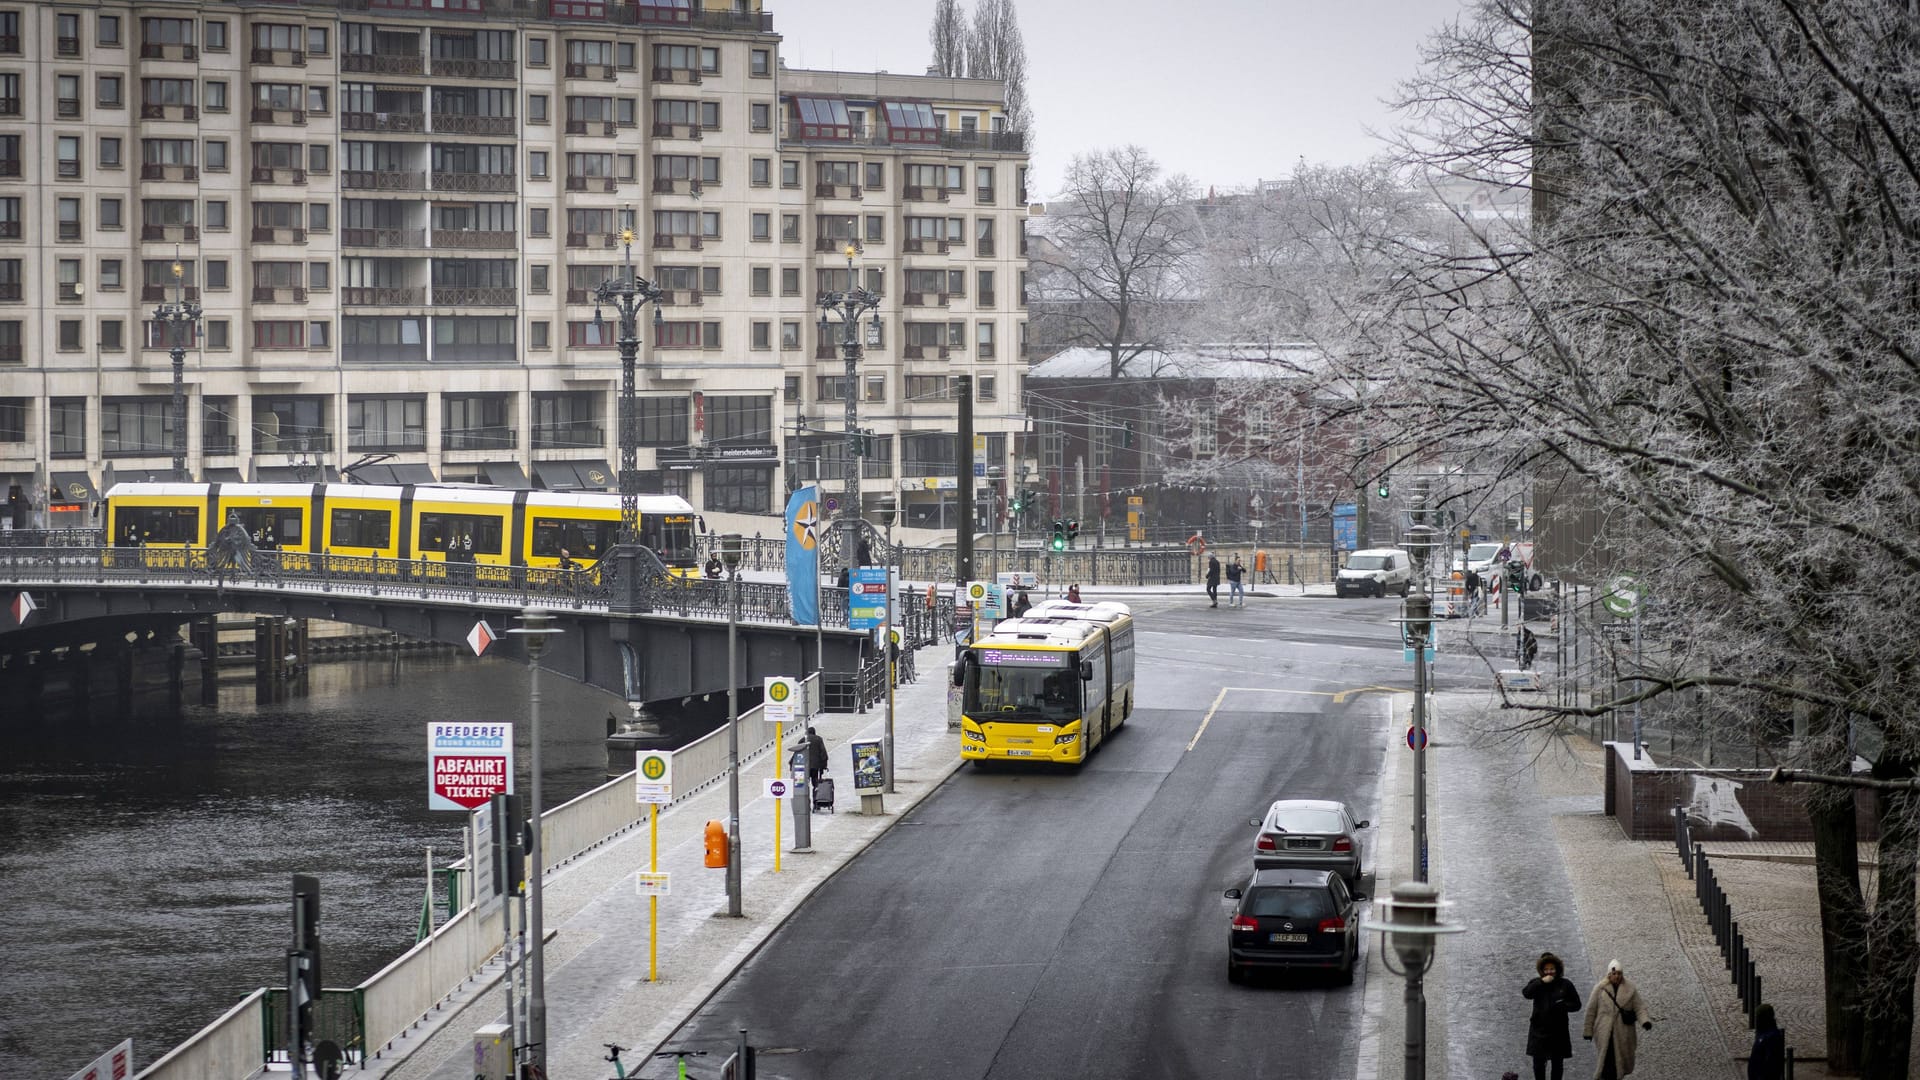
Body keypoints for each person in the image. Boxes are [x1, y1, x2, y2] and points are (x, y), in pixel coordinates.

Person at [1584, 959, 1652, 1078]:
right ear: (1609, 974)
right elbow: (1591, 1011)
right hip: (1604, 1032)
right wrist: (1588, 1031)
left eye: (1619, 973)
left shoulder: (1630, 988)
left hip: (1623, 1032)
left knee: (1622, 1058)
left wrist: (1645, 1021)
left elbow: (1639, 1007)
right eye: (1614, 974)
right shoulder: (1599, 989)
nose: (1617, 976)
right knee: (1607, 1059)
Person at [1523, 951, 1582, 1080]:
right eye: (1546, 969)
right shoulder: (1536, 983)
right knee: (1538, 1065)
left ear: (1557, 969)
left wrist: (1564, 1006)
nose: (1549, 972)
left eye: (1552, 969)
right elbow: (1526, 993)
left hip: (1558, 1033)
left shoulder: (1565, 984)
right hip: (1539, 1032)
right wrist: (1541, 982)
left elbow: (1577, 1004)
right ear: (1541, 970)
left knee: (1557, 1065)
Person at [1748, 1003, 1784, 1080]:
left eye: (1757, 1017)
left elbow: (1771, 1064)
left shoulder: (1772, 1037)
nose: (1756, 1020)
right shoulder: (1761, 1033)